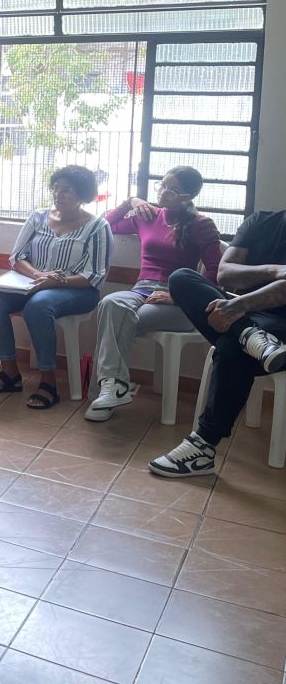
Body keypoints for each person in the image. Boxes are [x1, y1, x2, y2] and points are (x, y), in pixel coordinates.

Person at [149, 209, 286, 477]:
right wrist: (274, 270)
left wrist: (240, 304)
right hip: (242, 314)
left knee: (232, 348)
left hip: (277, 321)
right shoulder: (261, 221)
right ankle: (250, 336)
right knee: (181, 278)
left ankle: (203, 445)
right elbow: (225, 273)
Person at [85, 167, 222, 422]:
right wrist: (130, 202)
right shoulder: (148, 216)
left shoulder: (201, 224)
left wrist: (177, 298)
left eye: (172, 190)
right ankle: (114, 386)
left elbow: (215, 271)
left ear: (188, 197)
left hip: (180, 301)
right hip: (142, 289)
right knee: (110, 303)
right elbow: (106, 224)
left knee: (128, 318)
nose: (163, 192)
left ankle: (109, 388)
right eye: (162, 185)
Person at [0, 165, 112, 409]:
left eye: (67, 190)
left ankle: (48, 381)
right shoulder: (38, 217)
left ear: (83, 195)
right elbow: (17, 257)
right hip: (33, 282)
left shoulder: (97, 227)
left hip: (77, 290)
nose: (59, 195)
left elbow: (94, 275)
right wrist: (39, 275)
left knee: (38, 306)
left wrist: (57, 281)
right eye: (56, 188)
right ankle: (9, 372)